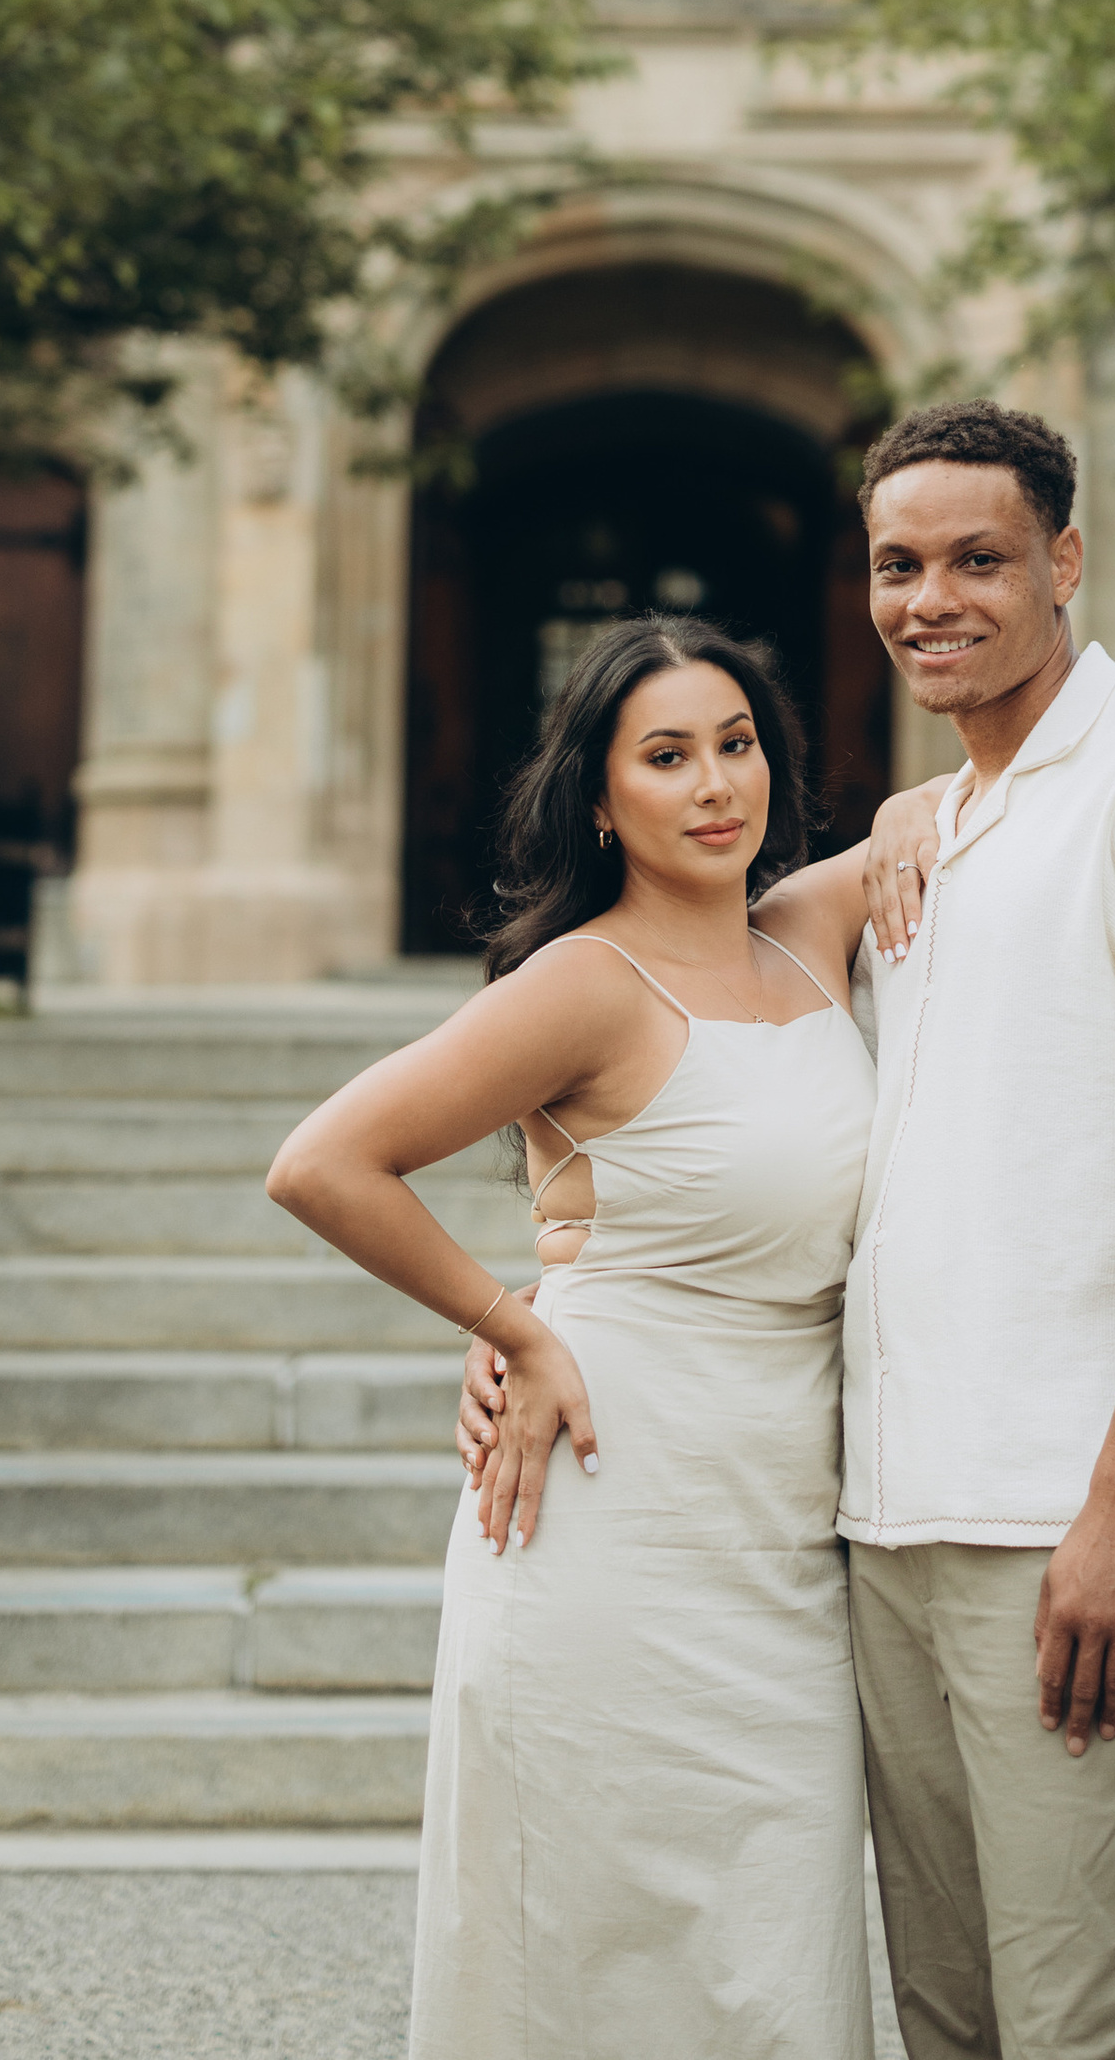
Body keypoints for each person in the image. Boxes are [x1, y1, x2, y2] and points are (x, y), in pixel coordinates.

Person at [465, 397, 1115, 2060]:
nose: (933, 599)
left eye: (980, 560)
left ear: (1066, 561)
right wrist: (546, 1305)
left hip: (1072, 1518)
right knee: (955, 2026)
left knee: (1099, 2025)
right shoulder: (936, 832)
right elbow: (690, 1089)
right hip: (892, 1518)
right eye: (899, 565)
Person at [265, 613, 891, 2060]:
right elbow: (323, 1162)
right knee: (588, 1947)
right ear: (601, 802)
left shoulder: (807, 938)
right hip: (604, 1515)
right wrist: (512, 1325)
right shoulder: (585, 984)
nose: (715, 784)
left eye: (737, 746)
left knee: (777, 1950)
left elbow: (971, 803)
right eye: (666, 757)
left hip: (784, 1536)